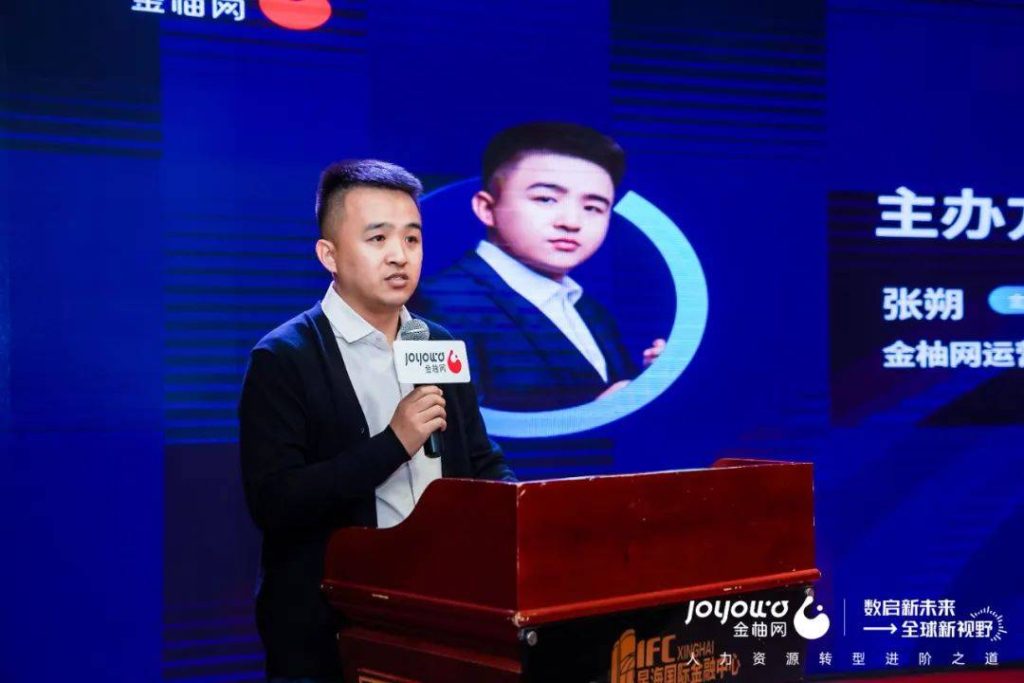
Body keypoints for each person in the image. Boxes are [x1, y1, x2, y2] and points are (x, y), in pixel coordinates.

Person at [239, 159, 516, 683]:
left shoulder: (437, 342)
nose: (399, 255)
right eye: (377, 238)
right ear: (329, 255)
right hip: (331, 627)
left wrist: (518, 511)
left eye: (412, 239)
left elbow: (480, 460)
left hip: (441, 610)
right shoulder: (284, 357)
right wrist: (394, 442)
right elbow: (275, 501)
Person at [412, 122, 665, 412]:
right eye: (546, 199)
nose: (571, 222)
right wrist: (595, 415)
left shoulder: (591, 310)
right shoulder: (439, 303)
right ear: (487, 208)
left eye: (593, 207)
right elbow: (444, 424)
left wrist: (647, 381)